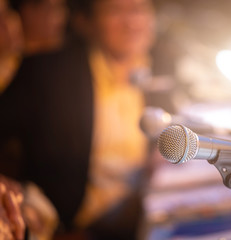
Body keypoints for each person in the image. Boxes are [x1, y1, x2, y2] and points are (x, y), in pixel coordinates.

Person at [0, 0, 155, 239]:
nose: (131, 23)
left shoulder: (157, 72)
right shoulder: (49, 73)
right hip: (74, 227)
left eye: (138, 10)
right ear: (86, 23)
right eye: (115, 12)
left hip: (143, 209)